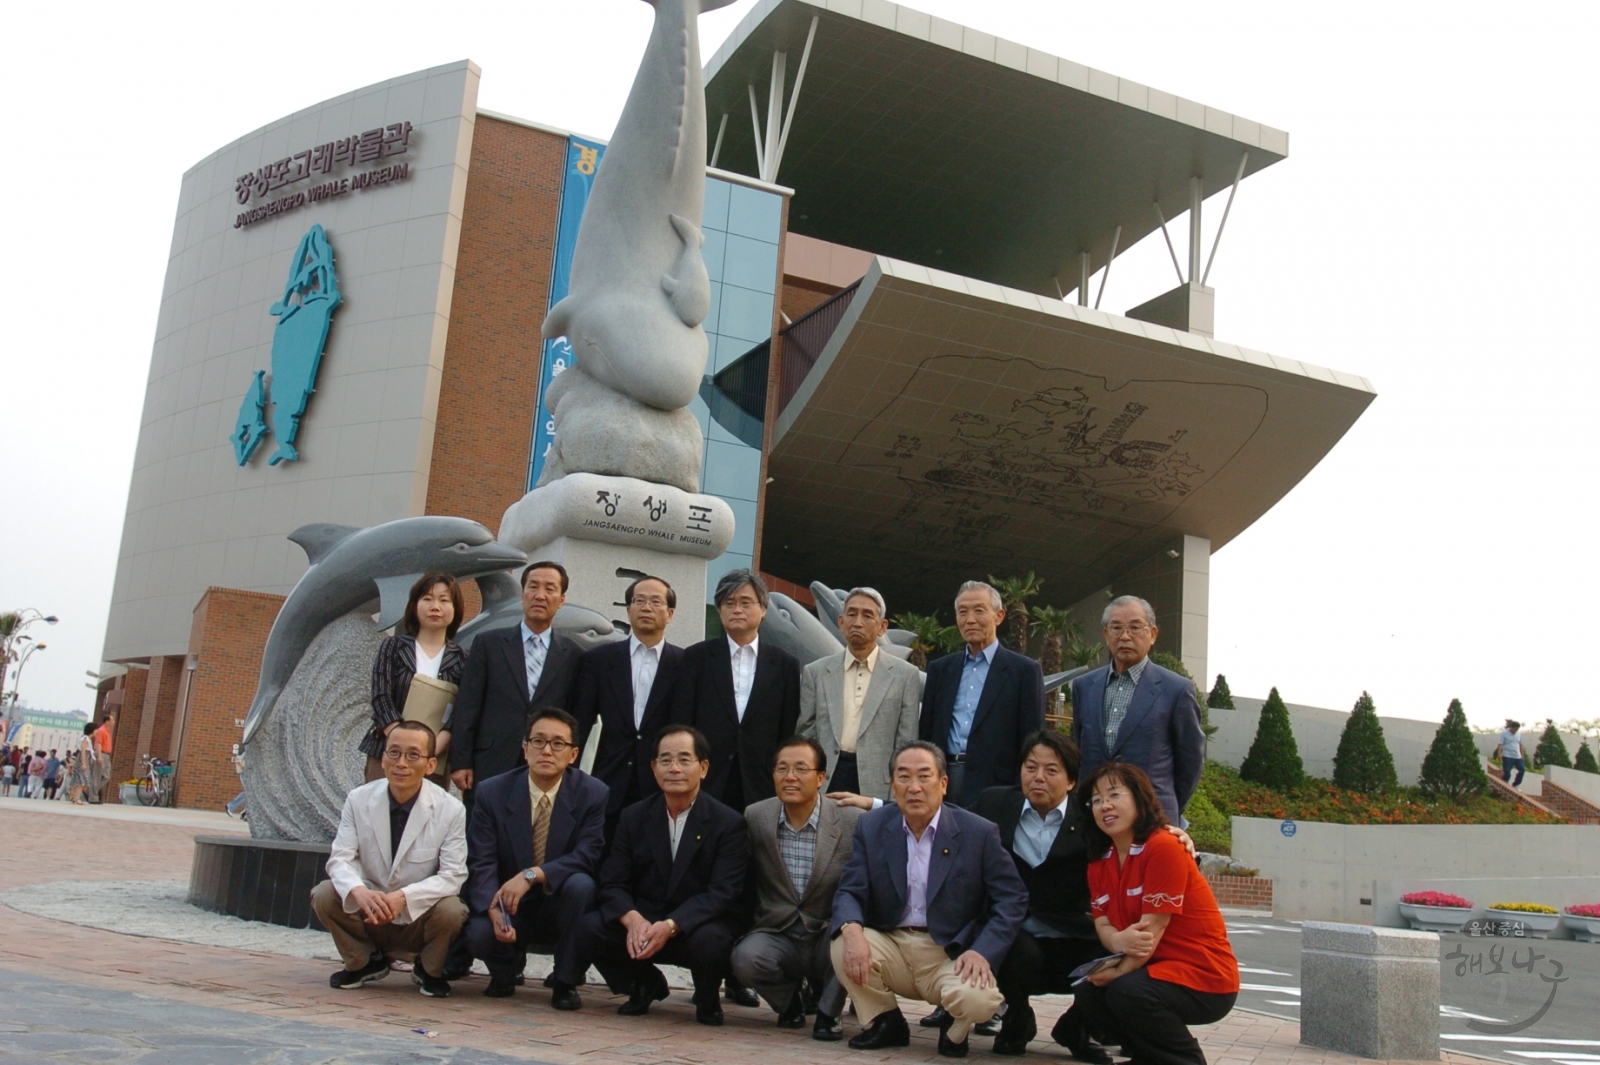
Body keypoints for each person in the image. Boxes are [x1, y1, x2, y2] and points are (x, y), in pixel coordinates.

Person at [830, 741, 1028, 1058]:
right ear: (892, 785)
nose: (914, 788)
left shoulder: (978, 832)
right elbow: (850, 889)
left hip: (949, 950)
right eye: (904, 777)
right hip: (892, 942)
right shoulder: (872, 825)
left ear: (944, 783)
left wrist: (983, 951)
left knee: (979, 1000)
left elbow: (1012, 899)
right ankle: (885, 1021)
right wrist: (852, 929)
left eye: (925, 776)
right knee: (842, 943)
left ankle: (955, 1032)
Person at [975, 732, 1143, 1059]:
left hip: (1073, 930)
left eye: (1051, 770)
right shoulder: (994, 804)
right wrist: (876, 804)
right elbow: (945, 818)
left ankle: (1075, 1027)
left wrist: (1177, 834)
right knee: (1011, 948)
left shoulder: (1091, 817)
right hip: (1017, 934)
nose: (1038, 777)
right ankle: (1017, 1017)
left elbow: (1138, 831)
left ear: (1071, 782)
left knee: (1126, 956)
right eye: (1031, 767)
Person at [572, 726, 749, 1025]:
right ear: (653, 768)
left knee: (713, 940)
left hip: (694, 923)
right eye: (665, 760)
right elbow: (613, 881)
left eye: (684, 759)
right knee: (590, 927)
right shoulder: (633, 817)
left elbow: (723, 892)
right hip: (645, 920)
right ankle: (644, 984)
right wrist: (633, 919)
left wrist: (671, 925)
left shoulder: (728, 823)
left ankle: (707, 998)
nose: (674, 768)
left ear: (703, 767)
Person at [1076, 761, 1238, 1065]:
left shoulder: (1164, 846)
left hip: (1203, 975)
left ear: (1139, 798)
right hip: (1152, 970)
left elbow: (1150, 934)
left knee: (1126, 991)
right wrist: (1118, 941)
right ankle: (1149, 1057)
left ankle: (1186, 1060)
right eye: (1096, 800)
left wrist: (1118, 970)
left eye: (1114, 795)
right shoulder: (1100, 860)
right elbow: (1102, 923)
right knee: (1090, 994)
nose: (1104, 805)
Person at [311, 721, 469, 997]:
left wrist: (404, 897)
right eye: (393, 753)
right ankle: (363, 962)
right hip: (369, 911)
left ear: (431, 765)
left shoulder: (451, 809)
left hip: (416, 917)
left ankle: (429, 970)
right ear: (382, 758)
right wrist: (359, 891)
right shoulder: (358, 800)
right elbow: (340, 859)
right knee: (325, 893)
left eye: (413, 755)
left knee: (452, 910)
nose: (401, 763)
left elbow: (453, 875)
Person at [463, 709, 608, 1007]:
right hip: (510, 902)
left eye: (558, 744)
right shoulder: (492, 792)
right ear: (524, 747)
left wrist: (533, 874)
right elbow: (481, 860)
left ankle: (565, 982)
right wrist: (492, 906)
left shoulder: (592, 793)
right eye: (538, 741)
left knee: (582, 885)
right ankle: (503, 973)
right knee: (478, 933)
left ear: (573, 754)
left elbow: (587, 855)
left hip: (559, 901)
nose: (546, 750)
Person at [731, 736, 863, 1042]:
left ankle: (829, 1014)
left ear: (820, 778)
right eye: (782, 769)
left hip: (827, 932)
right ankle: (789, 1002)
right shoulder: (756, 816)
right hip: (778, 931)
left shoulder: (851, 820)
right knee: (745, 959)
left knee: (850, 946)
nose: (790, 777)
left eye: (801, 769)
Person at [451, 562, 583, 799]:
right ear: (522, 595)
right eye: (533, 587)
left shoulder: (574, 655)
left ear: (561, 600)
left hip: (545, 766)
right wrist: (461, 761)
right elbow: (468, 704)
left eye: (550, 589)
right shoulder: (488, 644)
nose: (540, 595)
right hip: (489, 762)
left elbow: (575, 716)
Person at [673, 569, 802, 811]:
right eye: (729, 603)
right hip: (706, 777)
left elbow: (788, 730)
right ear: (719, 609)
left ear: (763, 609)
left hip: (761, 781)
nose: (737, 609)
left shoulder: (785, 665)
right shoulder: (696, 658)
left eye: (745, 602)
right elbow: (682, 721)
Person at [1071, 596, 1205, 825]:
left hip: (1151, 817)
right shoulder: (1084, 686)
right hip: (1095, 819)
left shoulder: (1176, 690)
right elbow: (1078, 750)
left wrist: (1165, 804)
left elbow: (1191, 761)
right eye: (1116, 628)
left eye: (1135, 627)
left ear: (1152, 634)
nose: (1125, 636)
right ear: (1105, 634)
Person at [572, 575, 685, 840]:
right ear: (628, 610)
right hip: (608, 779)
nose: (646, 607)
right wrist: (571, 779)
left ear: (669, 614)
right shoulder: (599, 660)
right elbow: (579, 722)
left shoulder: (685, 664)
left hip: (661, 784)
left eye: (655, 602)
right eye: (639, 601)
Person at [919, 581, 1045, 807]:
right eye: (962, 612)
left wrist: (1021, 791)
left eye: (979, 610)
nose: (970, 620)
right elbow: (927, 732)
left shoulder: (1024, 671)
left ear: (999, 616)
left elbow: (1032, 737)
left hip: (997, 786)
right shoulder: (940, 669)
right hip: (942, 780)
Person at [798, 587, 922, 802]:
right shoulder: (816, 672)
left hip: (878, 784)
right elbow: (806, 735)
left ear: (883, 627)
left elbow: (906, 742)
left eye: (867, 615)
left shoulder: (905, 675)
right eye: (851, 614)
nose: (857, 622)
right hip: (825, 778)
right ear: (840, 621)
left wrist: (895, 794)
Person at [362, 573, 467, 783]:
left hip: (433, 758)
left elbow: (463, 709)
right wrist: (401, 741)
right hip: (388, 750)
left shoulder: (464, 659)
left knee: (427, 814)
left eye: (444, 600)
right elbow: (381, 696)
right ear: (414, 606)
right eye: (427, 599)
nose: (435, 606)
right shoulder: (393, 647)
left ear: (455, 609)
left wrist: (432, 748)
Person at [66, 724, 96, 806]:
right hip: (82, 760)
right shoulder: (86, 739)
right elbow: (83, 751)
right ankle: (77, 798)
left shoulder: (86, 738)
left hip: (83, 759)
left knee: (77, 778)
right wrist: (83, 763)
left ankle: (72, 795)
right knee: (81, 779)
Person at [92, 713, 116, 803]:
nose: (114, 722)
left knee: (106, 776)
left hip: (107, 754)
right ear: (107, 721)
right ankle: (93, 797)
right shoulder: (101, 730)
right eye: (112, 720)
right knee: (97, 776)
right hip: (101, 754)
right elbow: (98, 743)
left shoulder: (107, 731)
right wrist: (99, 756)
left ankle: (92, 790)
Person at [1498, 720, 1525, 786]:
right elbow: (1500, 744)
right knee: (1507, 772)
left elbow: (1520, 744)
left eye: (1517, 729)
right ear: (1511, 727)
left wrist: (1522, 755)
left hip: (1517, 756)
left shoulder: (1518, 733)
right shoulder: (1504, 733)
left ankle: (1516, 784)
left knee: (1522, 770)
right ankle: (1504, 782)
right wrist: (1499, 754)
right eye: (1515, 729)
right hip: (1507, 755)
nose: (1515, 731)